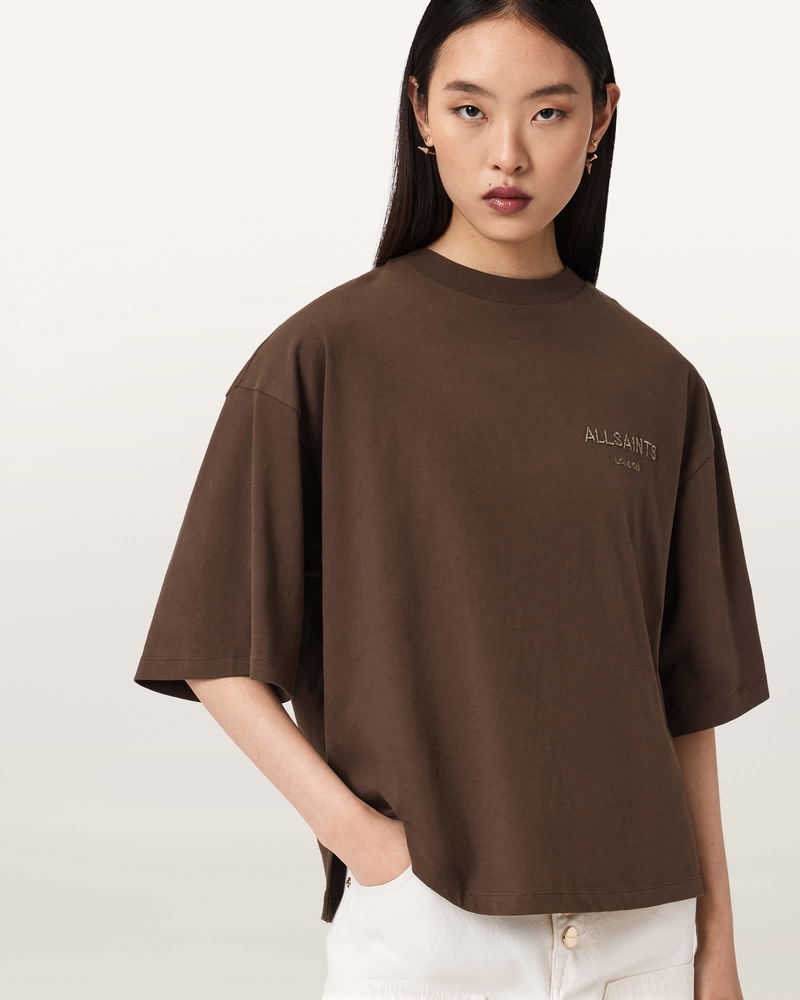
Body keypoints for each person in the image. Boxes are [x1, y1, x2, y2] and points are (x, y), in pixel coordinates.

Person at [133, 2, 771, 998]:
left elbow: (684, 701)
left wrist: (716, 945)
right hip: (432, 934)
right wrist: (369, 849)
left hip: (645, 937)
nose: (506, 153)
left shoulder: (658, 383)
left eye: (547, 112)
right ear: (420, 113)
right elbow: (215, 651)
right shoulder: (324, 357)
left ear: (601, 118)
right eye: (471, 109)